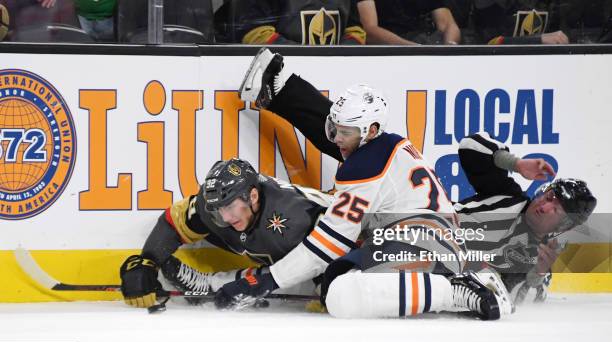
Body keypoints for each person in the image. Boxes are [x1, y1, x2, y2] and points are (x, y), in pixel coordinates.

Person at [215, 48, 513, 320]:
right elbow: (341, 135)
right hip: (429, 239)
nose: (336, 139)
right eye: (334, 128)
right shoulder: (385, 144)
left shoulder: (367, 165)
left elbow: (326, 245)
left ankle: (455, 291)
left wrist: (264, 281)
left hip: (425, 244)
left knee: (340, 295)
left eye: (345, 131)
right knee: (335, 275)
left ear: (370, 130)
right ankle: (282, 86)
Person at [119, 158, 333, 308]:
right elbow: (172, 222)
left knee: (331, 293)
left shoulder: (292, 218)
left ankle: (213, 283)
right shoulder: (216, 209)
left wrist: (222, 285)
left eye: (230, 207)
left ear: (254, 196)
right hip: (298, 246)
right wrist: (146, 262)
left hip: (343, 243)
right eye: (218, 210)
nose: (226, 218)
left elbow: (317, 258)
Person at [455, 132, 597, 304]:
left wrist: (537, 274)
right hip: (423, 227)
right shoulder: (505, 193)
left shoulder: (539, 258)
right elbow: (469, 146)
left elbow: (516, 302)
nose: (545, 207)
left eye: (556, 210)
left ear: (563, 226)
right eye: (550, 197)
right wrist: (516, 164)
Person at [217, 0, 366, 45]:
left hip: (334, 76)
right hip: (276, 81)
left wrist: (343, 55)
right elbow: (254, 34)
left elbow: (355, 31)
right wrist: (306, 58)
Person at [356, 0, 461, 45]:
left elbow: (448, 24)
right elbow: (369, 30)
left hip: (425, 49)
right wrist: (411, 48)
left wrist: (450, 47)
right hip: (387, 54)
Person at [471, 0, 569, 44]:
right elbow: (490, 43)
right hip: (498, 69)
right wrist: (538, 40)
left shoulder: (549, 3)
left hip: (541, 66)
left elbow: (561, 34)